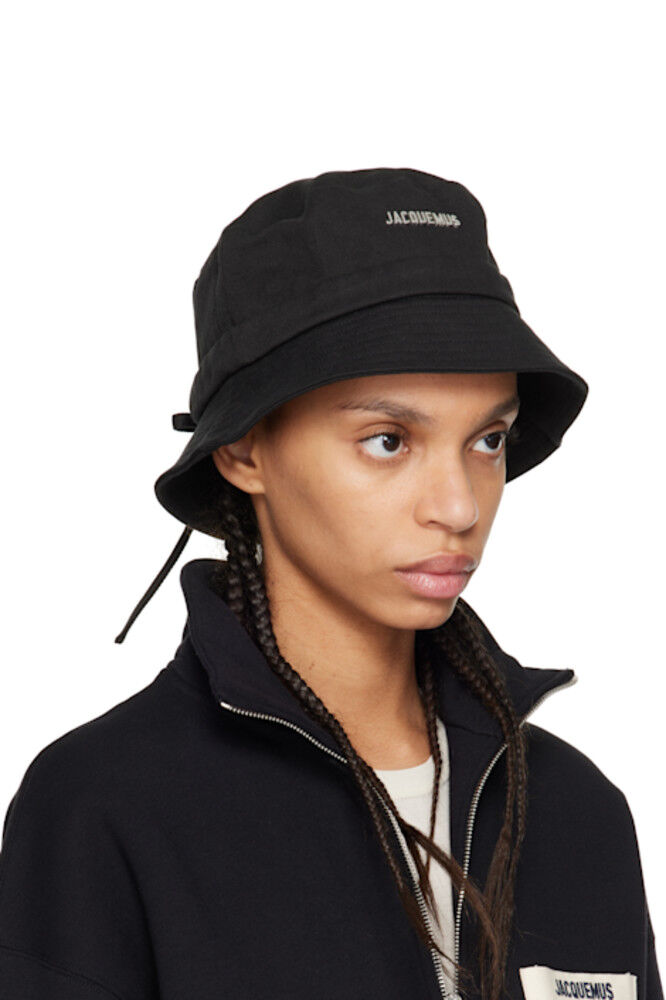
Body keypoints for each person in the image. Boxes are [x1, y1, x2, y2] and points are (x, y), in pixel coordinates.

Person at [0, 167, 660, 1000]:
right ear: (243, 451)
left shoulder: (576, 811)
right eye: (388, 440)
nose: (459, 506)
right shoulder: (104, 809)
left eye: (488, 440)